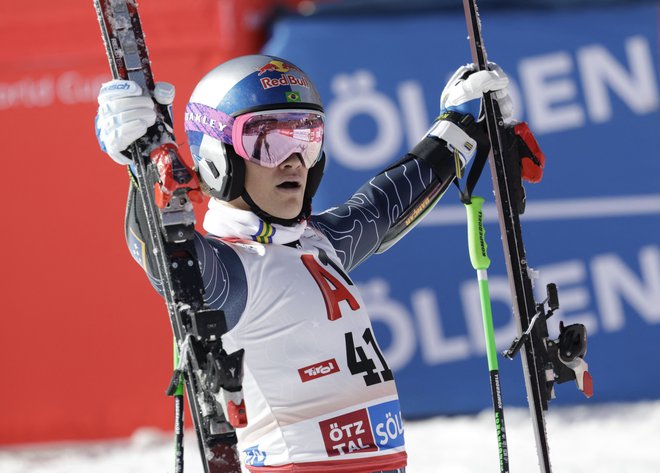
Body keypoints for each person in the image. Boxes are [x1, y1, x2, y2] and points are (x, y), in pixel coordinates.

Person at [95, 54, 512, 473]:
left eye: (305, 136)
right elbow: (167, 259)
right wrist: (143, 164)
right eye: (267, 140)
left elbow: (387, 204)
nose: (293, 159)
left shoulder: (317, 242)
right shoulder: (231, 267)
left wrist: (460, 126)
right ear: (218, 156)